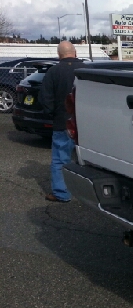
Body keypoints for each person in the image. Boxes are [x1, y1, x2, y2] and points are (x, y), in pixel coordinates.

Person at [40, 41, 84, 203]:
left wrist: (53, 113)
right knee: (88, 161)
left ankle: (62, 193)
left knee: (60, 158)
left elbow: (45, 98)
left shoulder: (53, 72)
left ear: (59, 55)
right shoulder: (87, 70)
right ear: (75, 52)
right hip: (88, 124)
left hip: (63, 122)